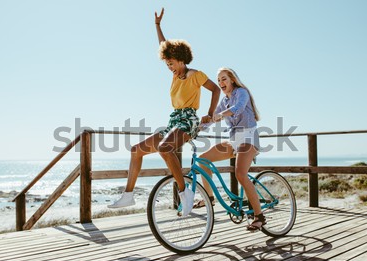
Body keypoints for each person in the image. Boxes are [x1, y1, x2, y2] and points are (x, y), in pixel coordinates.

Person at [108, 8, 220, 216]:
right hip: (174, 120)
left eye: (171, 64)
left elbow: (215, 89)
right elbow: (164, 45)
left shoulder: (196, 75)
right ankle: (128, 195)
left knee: (165, 148)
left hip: (189, 120)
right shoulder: (176, 76)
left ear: (180, 59)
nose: (169, 67)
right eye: (167, 64)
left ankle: (185, 193)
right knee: (136, 150)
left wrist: (210, 113)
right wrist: (157, 26)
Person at [195, 67, 265, 231]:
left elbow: (238, 108)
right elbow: (212, 120)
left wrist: (221, 115)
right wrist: (196, 128)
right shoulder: (224, 101)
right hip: (234, 139)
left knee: (240, 174)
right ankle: (210, 197)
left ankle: (259, 216)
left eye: (224, 79)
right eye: (219, 80)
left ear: (232, 79)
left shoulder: (242, 92)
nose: (221, 83)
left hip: (248, 136)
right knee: (203, 160)